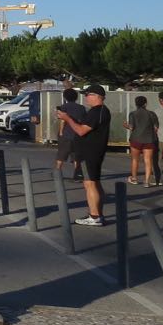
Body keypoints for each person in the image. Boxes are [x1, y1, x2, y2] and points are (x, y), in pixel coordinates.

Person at [56, 85, 111, 226]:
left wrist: (67, 119)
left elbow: (81, 131)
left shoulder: (98, 112)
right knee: (94, 183)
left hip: (90, 152)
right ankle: (98, 214)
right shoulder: (97, 112)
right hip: (92, 151)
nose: (86, 97)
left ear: (97, 96)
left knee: (89, 183)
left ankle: (94, 216)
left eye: (88, 94)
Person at [124, 95, 160, 188]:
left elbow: (131, 127)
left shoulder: (133, 114)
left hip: (136, 139)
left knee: (135, 159)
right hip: (149, 139)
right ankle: (147, 181)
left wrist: (125, 125)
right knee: (148, 160)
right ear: (145, 103)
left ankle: (134, 178)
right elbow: (156, 128)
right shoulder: (152, 114)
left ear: (136, 104)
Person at [54, 87, 86, 180]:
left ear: (65, 97)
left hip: (66, 134)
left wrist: (60, 132)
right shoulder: (81, 108)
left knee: (61, 154)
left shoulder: (64, 107)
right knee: (76, 156)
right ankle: (77, 174)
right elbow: (83, 121)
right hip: (78, 134)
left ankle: (57, 174)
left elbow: (63, 121)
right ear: (76, 97)